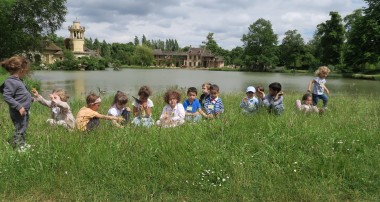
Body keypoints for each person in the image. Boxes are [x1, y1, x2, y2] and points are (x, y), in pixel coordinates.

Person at [1, 56, 33, 151]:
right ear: (21, 69)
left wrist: (31, 98)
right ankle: (18, 147)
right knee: (20, 129)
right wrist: (19, 107)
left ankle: (22, 144)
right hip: (18, 111)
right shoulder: (11, 81)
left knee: (23, 127)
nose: (26, 72)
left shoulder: (18, 80)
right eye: (26, 70)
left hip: (24, 110)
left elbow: (20, 94)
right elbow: (7, 96)